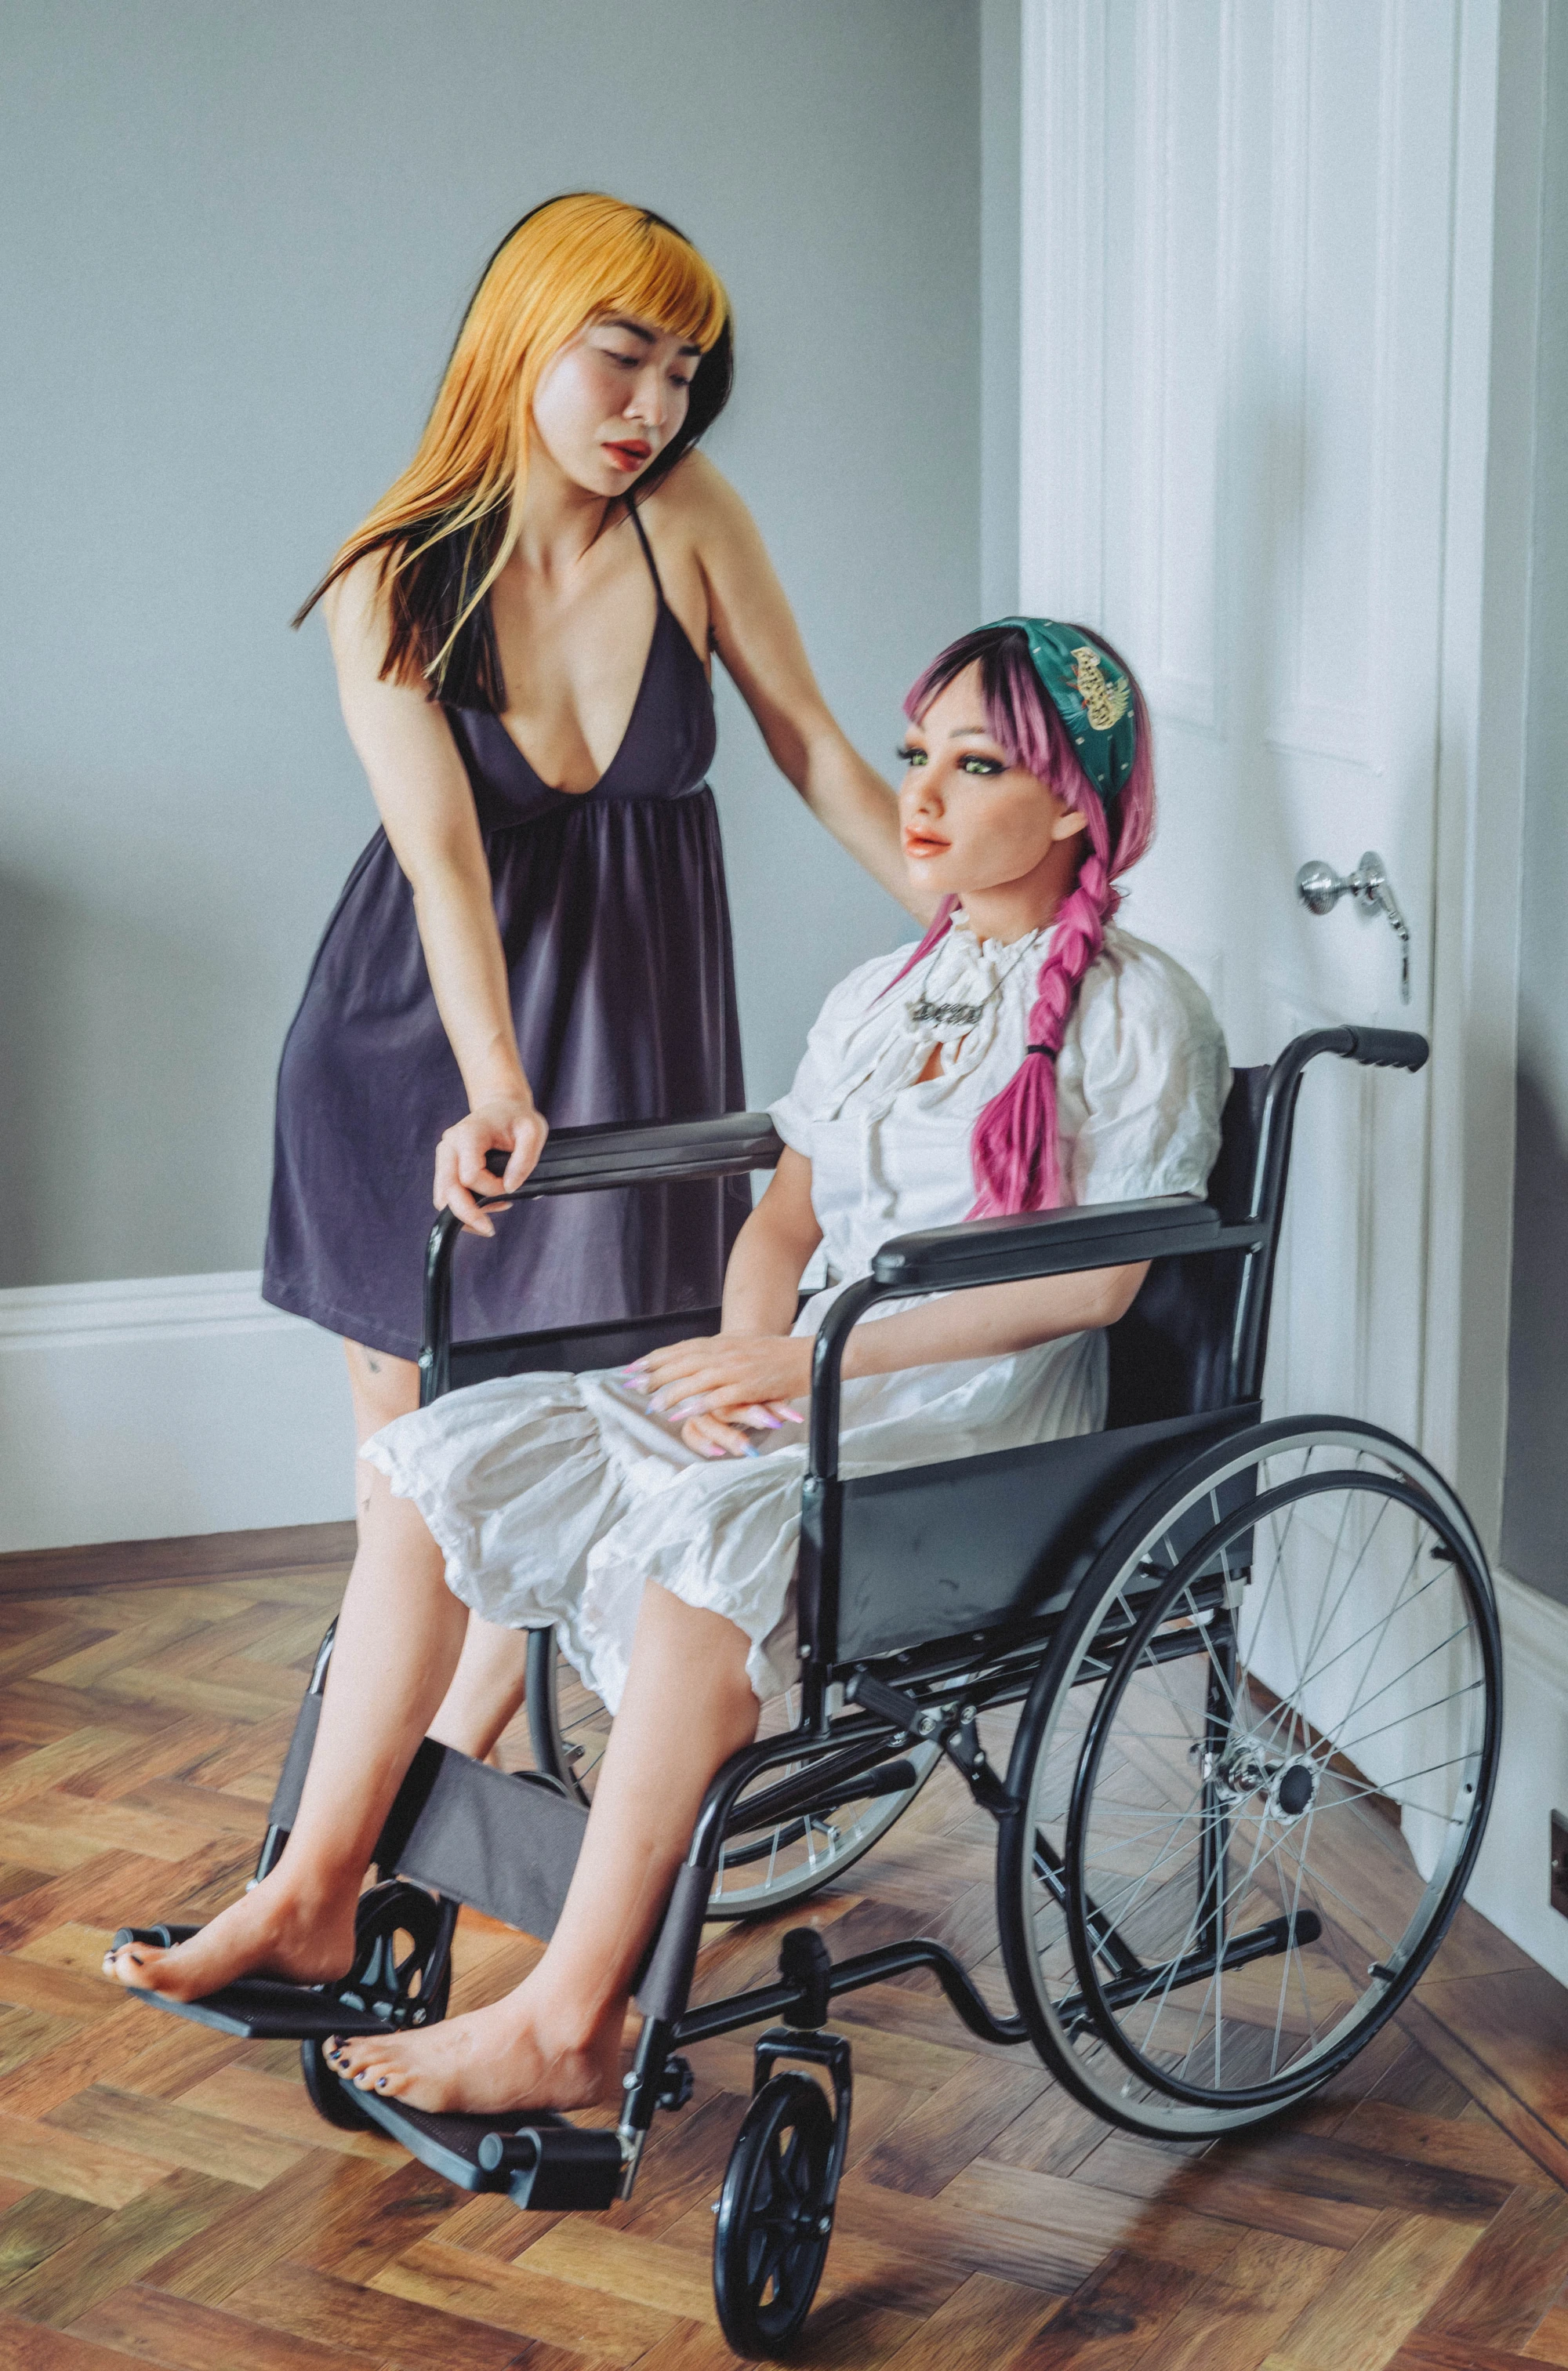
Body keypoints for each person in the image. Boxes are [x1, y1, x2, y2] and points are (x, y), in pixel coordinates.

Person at [110, 619, 1230, 2121]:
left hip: (977, 1420)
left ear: (1080, 803)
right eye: (917, 756)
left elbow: (1093, 1281)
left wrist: (817, 1355)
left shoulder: (1144, 1010)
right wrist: (747, 1352)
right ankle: (314, 1892)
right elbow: (782, 1220)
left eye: (979, 765)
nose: (925, 794)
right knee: (432, 1465)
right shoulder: (881, 995)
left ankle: (572, 2018)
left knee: (705, 1539)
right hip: (817, 1370)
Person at [262, 192, 915, 1762]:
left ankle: (405, 1842)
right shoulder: (392, 577)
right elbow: (442, 860)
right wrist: (495, 1082)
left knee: (602, 1449)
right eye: (621, 357)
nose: (654, 407)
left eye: (685, 372)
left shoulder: (683, 517)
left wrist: (977, 920)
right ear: (522, 339)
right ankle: (373, 1853)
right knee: (416, 1491)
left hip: (635, 1042)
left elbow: (813, 742)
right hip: (422, 1053)